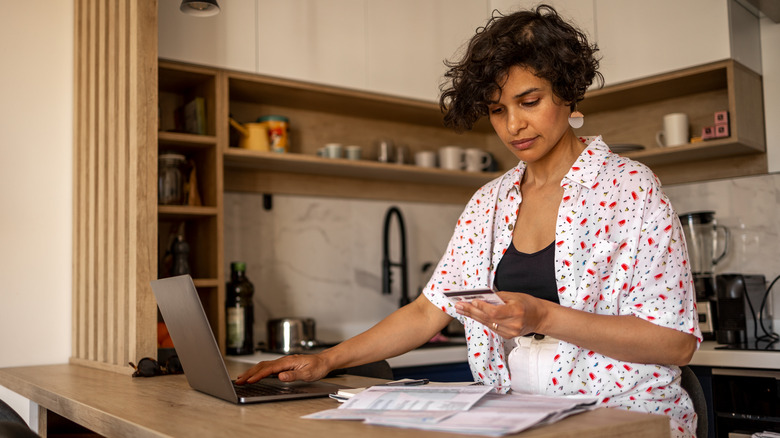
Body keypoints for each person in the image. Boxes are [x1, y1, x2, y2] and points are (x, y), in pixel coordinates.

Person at [237, 5, 701, 437]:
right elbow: (427, 311)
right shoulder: (488, 202)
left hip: (626, 419)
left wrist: (543, 316)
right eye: (498, 110)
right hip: (521, 417)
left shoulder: (629, 189)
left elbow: (675, 344)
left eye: (529, 101)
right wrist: (325, 360)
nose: (513, 125)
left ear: (567, 90)